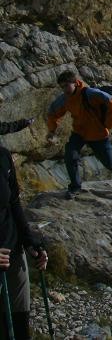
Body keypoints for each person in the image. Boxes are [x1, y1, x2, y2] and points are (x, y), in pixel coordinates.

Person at [46, 70, 112, 199]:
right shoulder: (66, 99)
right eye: (62, 87)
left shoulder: (89, 93)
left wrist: (108, 124)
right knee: (70, 155)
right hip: (79, 133)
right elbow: (53, 113)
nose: (64, 89)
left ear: (75, 83)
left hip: (98, 134)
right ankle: (75, 187)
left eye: (66, 85)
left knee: (109, 162)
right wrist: (52, 130)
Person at [0, 117, 47, 340]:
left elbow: (14, 203)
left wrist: (30, 242)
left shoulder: (2, 156)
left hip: (12, 250)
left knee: (20, 325)